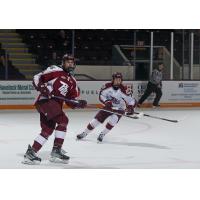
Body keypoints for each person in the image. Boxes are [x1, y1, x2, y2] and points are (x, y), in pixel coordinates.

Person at [23, 54, 87, 165]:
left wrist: (78, 104)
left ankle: (31, 152)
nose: (70, 64)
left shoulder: (73, 81)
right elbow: (37, 77)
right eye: (68, 62)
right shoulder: (55, 70)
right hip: (46, 101)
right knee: (63, 121)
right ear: (63, 62)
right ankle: (56, 150)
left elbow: (70, 101)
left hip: (54, 106)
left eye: (72, 62)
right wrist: (42, 88)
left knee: (47, 130)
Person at [76, 72, 136, 142]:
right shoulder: (106, 86)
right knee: (95, 121)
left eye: (119, 80)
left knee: (113, 121)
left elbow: (131, 100)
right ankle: (85, 133)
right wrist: (107, 102)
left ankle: (102, 134)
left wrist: (131, 107)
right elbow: (101, 96)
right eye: (116, 79)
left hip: (119, 109)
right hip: (108, 107)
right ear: (113, 80)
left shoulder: (124, 89)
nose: (118, 81)